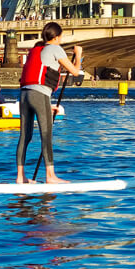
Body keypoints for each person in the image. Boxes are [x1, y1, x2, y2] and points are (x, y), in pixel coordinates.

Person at [16, 22, 85, 184]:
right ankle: (50, 176)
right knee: (46, 135)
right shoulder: (55, 48)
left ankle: (20, 177)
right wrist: (78, 55)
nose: (61, 39)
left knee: (24, 137)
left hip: (24, 95)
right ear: (56, 37)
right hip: (39, 95)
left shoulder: (35, 49)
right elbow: (75, 73)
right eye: (61, 36)